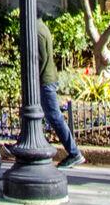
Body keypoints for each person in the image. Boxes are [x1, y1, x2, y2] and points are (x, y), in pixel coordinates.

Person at [36, 22, 85, 169]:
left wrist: (33, 81)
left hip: (45, 80)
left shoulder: (36, 31)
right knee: (32, 113)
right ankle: (24, 145)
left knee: (54, 116)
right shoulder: (42, 27)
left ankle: (74, 153)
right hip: (48, 78)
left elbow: (39, 60)